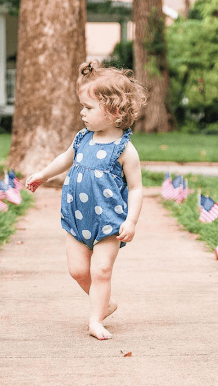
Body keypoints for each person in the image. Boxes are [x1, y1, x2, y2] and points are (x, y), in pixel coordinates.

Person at [26, 60, 146, 340]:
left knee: (101, 269)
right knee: (78, 270)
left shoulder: (125, 150)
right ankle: (106, 303)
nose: (82, 112)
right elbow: (65, 159)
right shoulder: (82, 138)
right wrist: (44, 174)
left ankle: (95, 320)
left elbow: (137, 188)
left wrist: (131, 221)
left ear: (114, 111)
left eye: (88, 108)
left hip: (109, 222)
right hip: (77, 217)